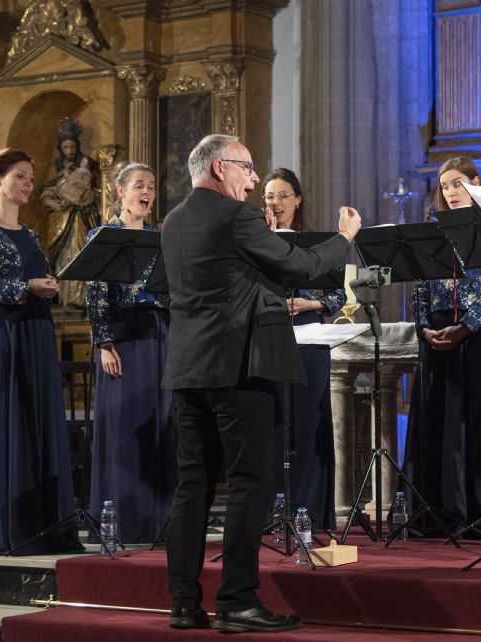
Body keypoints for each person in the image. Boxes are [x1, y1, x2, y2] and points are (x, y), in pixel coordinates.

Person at [161, 134, 360, 632]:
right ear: (216, 168)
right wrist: (344, 239)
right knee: (251, 483)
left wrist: (263, 242)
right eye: (246, 168)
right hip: (241, 366)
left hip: (189, 367)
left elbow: (233, 276)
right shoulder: (237, 217)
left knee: (193, 486)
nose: (254, 178)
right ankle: (237, 601)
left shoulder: (175, 219)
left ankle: (184, 603)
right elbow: (299, 266)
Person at [0, 148, 83, 556]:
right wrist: (26, 287)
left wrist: (48, 286)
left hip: (36, 331)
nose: (28, 183)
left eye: (31, 177)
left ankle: (46, 525)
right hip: (4, 334)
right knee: (10, 422)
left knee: (40, 421)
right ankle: (11, 528)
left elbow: (35, 278)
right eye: (20, 176)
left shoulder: (29, 234)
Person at [402, 156, 481, 536]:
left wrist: (465, 328)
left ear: (475, 183)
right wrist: (423, 327)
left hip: (478, 337)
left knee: (480, 422)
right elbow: (420, 283)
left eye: (458, 184)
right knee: (436, 424)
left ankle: (480, 511)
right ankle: (438, 512)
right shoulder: (435, 229)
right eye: (446, 186)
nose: (451, 192)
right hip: (436, 337)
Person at [85, 162, 176, 544]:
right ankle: (119, 520)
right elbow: (95, 292)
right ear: (120, 191)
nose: (147, 192)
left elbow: (173, 290)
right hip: (122, 337)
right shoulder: (103, 235)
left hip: (160, 334)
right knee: (124, 425)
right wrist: (104, 343)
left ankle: (161, 522)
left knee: (162, 422)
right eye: (139, 185)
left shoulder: (160, 236)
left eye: (151, 186)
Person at [262, 168, 345, 531]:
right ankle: (272, 512)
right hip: (269, 340)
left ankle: (309, 511)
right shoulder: (255, 242)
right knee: (273, 423)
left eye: (282, 196)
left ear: (297, 199)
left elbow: (339, 294)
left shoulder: (317, 243)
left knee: (309, 423)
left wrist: (309, 305)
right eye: (269, 197)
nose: (276, 203)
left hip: (310, 338)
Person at [40, 117, 101, 308]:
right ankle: (65, 300)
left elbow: (95, 191)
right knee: (62, 259)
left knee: (80, 254)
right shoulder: (56, 169)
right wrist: (52, 201)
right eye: (65, 147)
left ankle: (81, 300)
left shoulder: (86, 165)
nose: (69, 151)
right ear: (60, 148)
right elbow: (47, 191)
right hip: (61, 221)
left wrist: (82, 197)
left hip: (81, 219)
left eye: (72, 147)